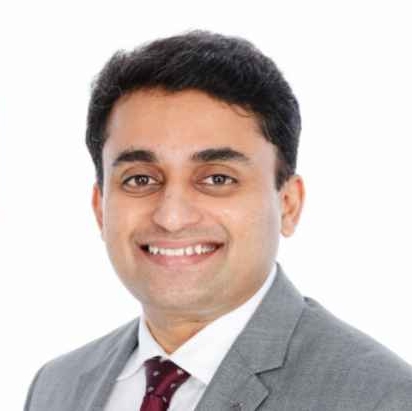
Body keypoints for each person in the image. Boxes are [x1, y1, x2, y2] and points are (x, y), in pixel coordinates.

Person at [24, 30, 412, 411]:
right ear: (100, 207)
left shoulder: (381, 397)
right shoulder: (55, 387)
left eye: (217, 179)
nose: (172, 217)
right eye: (140, 179)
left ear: (288, 204)